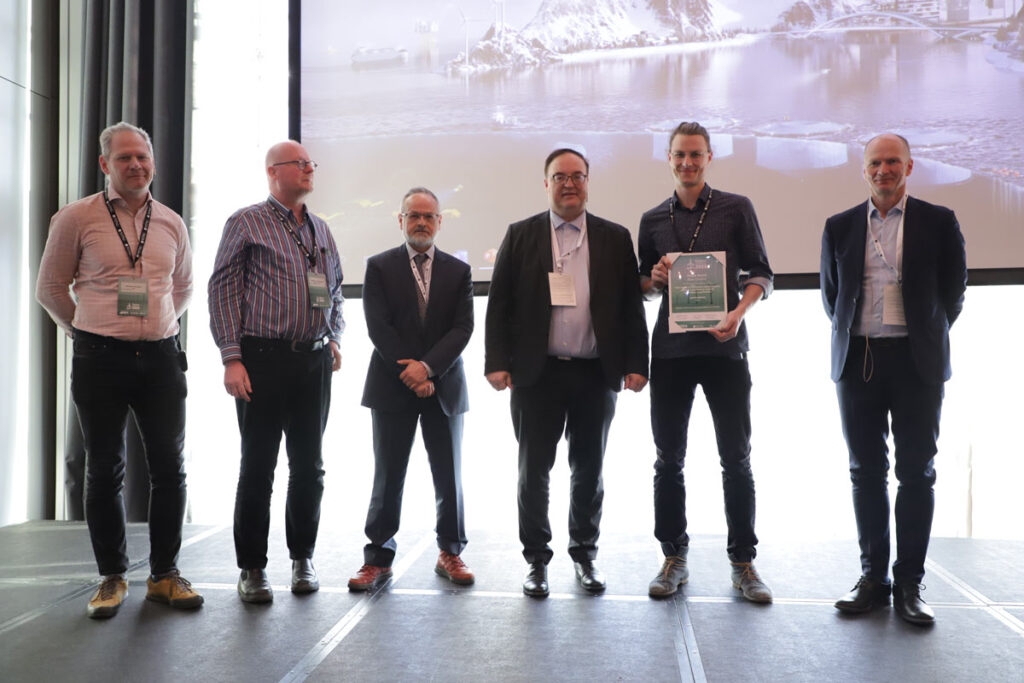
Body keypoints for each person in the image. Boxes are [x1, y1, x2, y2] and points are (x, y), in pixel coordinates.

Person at [36, 121, 203, 618]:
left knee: (170, 469)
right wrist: (86, 329)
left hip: (160, 358)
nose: (136, 165)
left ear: (153, 164)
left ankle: (164, 576)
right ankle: (111, 578)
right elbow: (50, 289)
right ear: (105, 164)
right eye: (125, 158)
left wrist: (156, 324)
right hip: (99, 359)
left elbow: (185, 286)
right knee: (104, 468)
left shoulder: (171, 222)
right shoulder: (75, 218)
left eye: (144, 158)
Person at [485, 148, 649, 598]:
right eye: (560, 176)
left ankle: (585, 556)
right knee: (532, 471)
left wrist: (637, 364)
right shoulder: (520, 235)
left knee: (589, 469)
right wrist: (496, 362)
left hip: (596, 374)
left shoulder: (614, 237)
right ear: (546, 184)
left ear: (588, 182)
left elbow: (631, 310)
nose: (569, 184)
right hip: (536, 377)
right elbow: (499, 303)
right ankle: (536, 561)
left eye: (577, 176)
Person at [821, 133, 966, 625]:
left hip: (917, 361)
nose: (883, 170)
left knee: (916, 472)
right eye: (875, 163)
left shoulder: (939, 221)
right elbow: (832, 297)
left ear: (909, 166)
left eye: (892, 162)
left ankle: (909, 583)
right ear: (864, 169)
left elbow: (953, 294)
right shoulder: (839, 225)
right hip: (857, 361)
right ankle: (872, 579)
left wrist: (922, 335)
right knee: (865, 471)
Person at [639, 121, 774, 603]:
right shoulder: (653, 219)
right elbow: (642, 287)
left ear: (709, 157)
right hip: (671, 355)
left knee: (736, 459)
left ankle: (744, 563)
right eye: (679, 155)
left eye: (696, 155)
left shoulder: (737, 208)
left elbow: (762, 272)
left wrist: (739, 312)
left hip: (725, 348)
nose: (687, 163)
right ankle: (673, 558)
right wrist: (653, 278)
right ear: (669, 159)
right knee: (668, 460)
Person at [208, 141, 344, 604]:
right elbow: (222, 291)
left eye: (311, 163)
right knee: (259, 466)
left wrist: (334, 336)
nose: (309, 169)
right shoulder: (246, 222)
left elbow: (336, 289)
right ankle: (252, 567)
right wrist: (231, 357)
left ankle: (302, 557)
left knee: (310, 467)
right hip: (261, 359)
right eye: (300, 163)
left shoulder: (320, 228)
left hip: (314, 360)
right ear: (273, 172)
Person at [348, 187, 475, 592]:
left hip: (444, 386)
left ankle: (451, 552)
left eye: (429, 216)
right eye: (413, 215)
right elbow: (377, 326)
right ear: (399, 220)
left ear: (440, 221)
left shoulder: (459, 271)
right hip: (391, 386)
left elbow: (463, 328)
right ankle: (377, 558)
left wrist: (428, 369)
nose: (421, 222)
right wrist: (410, 371)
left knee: (448, 475)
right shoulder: (379, 267)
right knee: (388, 475)